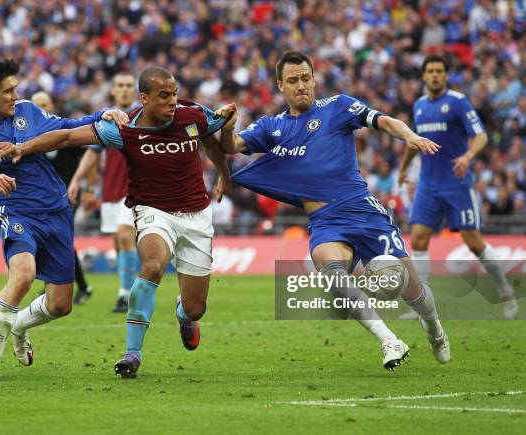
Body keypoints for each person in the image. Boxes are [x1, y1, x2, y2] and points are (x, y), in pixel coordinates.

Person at [0, 66, 232, 378]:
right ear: (144, 98)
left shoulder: (193, 115)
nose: (172, 101)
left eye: (174, 94)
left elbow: (212, 139)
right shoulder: (125, 127)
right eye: (164, 96)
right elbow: (66, 137)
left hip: (197, 215)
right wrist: (22, 147)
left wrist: (225, 175)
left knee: (196, 306)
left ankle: (183, 313)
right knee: (153, 265)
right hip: (152, 211)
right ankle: (132, 353)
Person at [219, 51, 450, 370]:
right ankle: (389, 340)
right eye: (292, 80)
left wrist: (409, 135)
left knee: (411, 288)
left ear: (314, 79)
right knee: (332, 274)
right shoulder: (272, 127)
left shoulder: (338, 107)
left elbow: (383, 120)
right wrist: (227, 128)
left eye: (305, 78)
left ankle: (435, 330)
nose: (301, 85)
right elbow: (231, 147)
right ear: (280, 86)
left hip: (363, 212)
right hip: (326, 222)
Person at [0, 57, 121, 382]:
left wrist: (100, 115)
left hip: (55, 210)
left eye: (15, 88)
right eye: (8, 91)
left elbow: (65, 127)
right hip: (15, 211)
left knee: (61, 305)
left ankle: (20, 325)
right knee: (23, 275)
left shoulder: (27, 111)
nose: (15, 95)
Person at [398, 55, 518, 320]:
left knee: (474, 242)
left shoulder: (458, 102)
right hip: (428, 185)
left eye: (440, 71)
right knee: (417, 239)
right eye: (430, 71)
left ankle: (506, 292)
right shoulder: (418, 106)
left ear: (446, 75)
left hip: (456, 184)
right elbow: (414, 141)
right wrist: (405, 167)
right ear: (424, 76)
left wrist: (467, 156)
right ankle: (423, 306)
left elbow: (482, 136)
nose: (435, 75)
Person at [67, 73, 140, 312]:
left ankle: (126, 295)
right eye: (120, 85)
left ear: (136, 91)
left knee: (125, 234)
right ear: (114, 91)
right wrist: (80, 182)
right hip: (111, 188)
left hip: (138, 188)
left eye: (129, 85)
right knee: (119, 242)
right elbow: (92, 153)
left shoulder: (143, 116)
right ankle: (129, 286)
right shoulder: (107, 118)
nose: (125, 89)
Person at [30, 91, 93, 305]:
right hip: (43, 197)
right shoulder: (28, 134)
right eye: (36, 105)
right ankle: (67, 286)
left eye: (45, 104)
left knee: (61, 236)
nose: (41, 109)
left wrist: (90, 189)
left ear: (52, 106)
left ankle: (79, 286)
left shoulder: (65, 130)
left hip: (69, 193)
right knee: (50, 238)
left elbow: (90, 154)